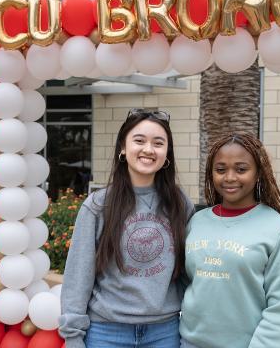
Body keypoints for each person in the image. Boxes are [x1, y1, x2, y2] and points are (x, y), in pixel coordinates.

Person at [59, 108, 194, 348]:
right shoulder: (99, 205)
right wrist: (73, 336)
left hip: (164, 332)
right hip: (106, 332)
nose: (148, 150)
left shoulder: (180, 204)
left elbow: (188, 272)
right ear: (123, 147)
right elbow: (79, 274)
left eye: (158, 143)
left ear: (167, 154)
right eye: (139, 141)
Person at [180, 133, 280, 348]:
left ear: (258, 174)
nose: (229, 177)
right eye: (220, 169)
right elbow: (185, 284)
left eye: (241, 169)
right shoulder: (196, 222)